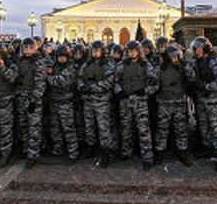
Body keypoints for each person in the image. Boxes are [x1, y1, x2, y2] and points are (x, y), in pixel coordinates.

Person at [185, 36, 217, 172]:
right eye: (195, 49)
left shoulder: (216, 61)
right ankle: (208, 149)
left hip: (213, 100)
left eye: (198, 48)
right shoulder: (194, 62)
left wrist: (206, 87)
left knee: (216, 129)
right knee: (203, 128)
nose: (196, 51)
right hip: (200, 100)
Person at [115, 40, 157, 170]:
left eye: (134, 50)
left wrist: (145, 91)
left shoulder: (146, 65)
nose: (132, 53)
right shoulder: (122, 65)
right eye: (129, 50)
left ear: (139, 51)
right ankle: (126, 152)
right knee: (126, 128)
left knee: (143, 129)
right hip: (126, 101)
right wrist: (119, 91)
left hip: (140, 101)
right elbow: (116, 81)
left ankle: (147, 157)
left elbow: (154, 83)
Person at [78, 40, 116, 168]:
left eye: (98, 50)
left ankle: (106, 153)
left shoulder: (108, 64)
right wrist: (83, 87)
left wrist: (92, 87)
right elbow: (80, 78)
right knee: (89, 127)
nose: (95, 52)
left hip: (101, 101)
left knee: (103, 128)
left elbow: (109, 82)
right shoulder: (86, 64)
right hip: (88, 101)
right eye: (93, 50)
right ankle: (91, 148)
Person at [154, 44, 191, 166]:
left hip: (179, 101)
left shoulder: (182, 67)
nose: (174, 58)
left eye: (176, 56)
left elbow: (192, 78)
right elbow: (154, 83)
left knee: (181, 130)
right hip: (164, 102)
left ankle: (183, 153)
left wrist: (183, 65)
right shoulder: (160, 68)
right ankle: (159, 154)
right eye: (172, 56)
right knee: (162, 130)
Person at [17, 37, 49, 169]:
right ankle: (26, 150)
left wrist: (34, 100)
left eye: (31, 48)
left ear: (36, 48)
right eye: (26, 48)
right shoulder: (20, 61)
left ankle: (33, 154)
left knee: (34, 128)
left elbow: (40, 84)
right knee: (23, 126)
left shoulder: (39, 62)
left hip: (33, 99)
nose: (28, 50)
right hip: (21, 97)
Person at [45, 44, 80, 165]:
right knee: (55, 128)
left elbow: (61, 81)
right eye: (59, 57)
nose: (61, 59)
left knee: (68, 129)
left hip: (65, 102)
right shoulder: (55, 66)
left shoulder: (71, 67)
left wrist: (48, 77)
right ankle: (57, 149)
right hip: (54, 101)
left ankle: (73, 153)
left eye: (64, 57)